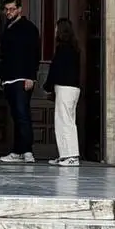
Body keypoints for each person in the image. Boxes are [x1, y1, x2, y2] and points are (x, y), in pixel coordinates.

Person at [0, 0, 41, 163]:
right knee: (16, 116)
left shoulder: (29, 28)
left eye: (12, 9)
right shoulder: (7, 28)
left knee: (23, 115)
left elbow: (34, 54)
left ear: (20, 9)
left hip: (22, 78)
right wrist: (1, 77)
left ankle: (27, 151)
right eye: (6, 9)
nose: (8, 12)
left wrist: (31, 77)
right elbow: (4, 55)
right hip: (8, 79)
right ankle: (17, 151)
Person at [45, 17, 82, 167]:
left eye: (56, 28)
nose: (54, 31)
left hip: (65, 88)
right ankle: (66, 155)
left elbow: (56, 70)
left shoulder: (63, 49)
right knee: (69, 122)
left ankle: (70, 156)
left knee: (64, 122)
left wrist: (47, 86)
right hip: (74, 89)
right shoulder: (74, 48)